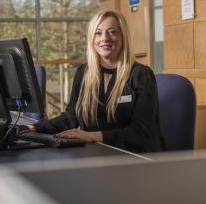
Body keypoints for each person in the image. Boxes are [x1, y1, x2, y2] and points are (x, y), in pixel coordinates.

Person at [27, 10, 164, 153]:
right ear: (92, 38)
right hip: (96, 153)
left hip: (136, 158)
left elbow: (140, 134)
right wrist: (34, 127)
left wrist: (92, 136)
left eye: (112, 32)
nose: (104, 38)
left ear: (123, 36)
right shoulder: (84, 73)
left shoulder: (141, 75)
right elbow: (71, 117)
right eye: (98, 33)